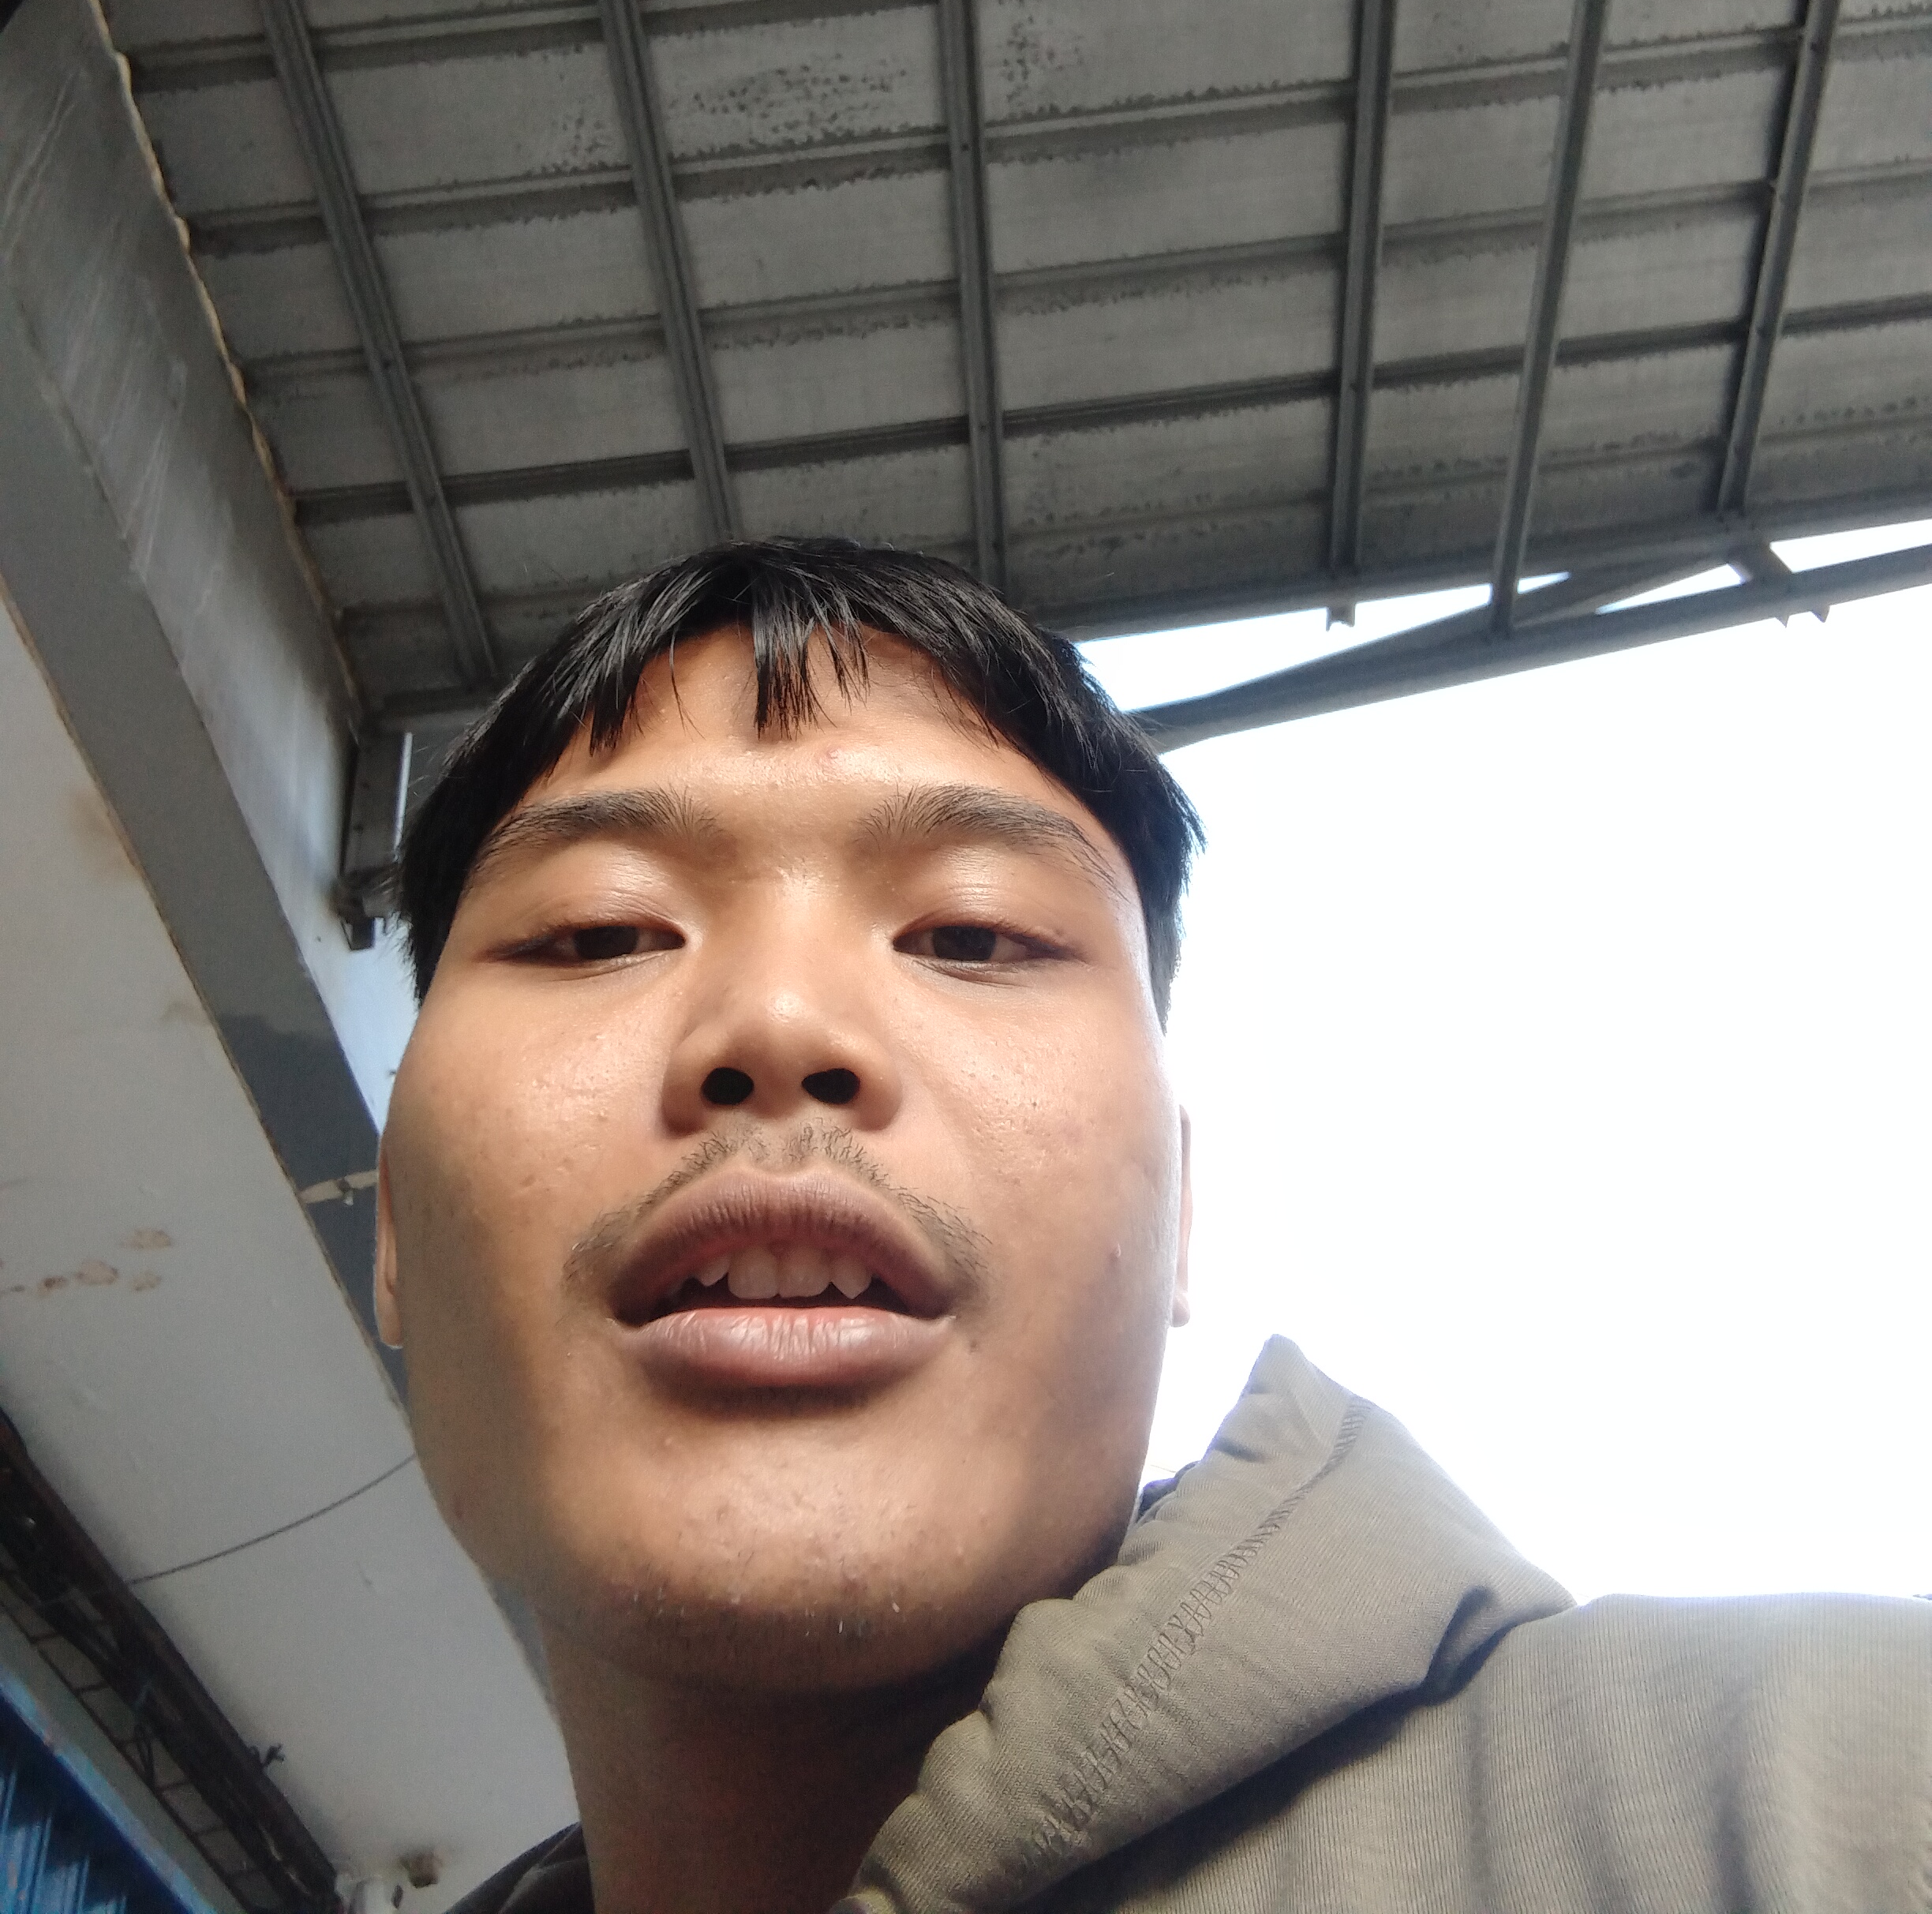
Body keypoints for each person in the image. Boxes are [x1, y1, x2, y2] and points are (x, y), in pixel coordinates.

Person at [377, 539, 1930, 1914]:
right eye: (599, 932)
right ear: (390, 1228)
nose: (780, 1022)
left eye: (974, 933)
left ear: (1179, 1215)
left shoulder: (1821, 1798)